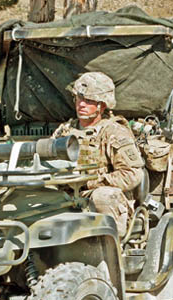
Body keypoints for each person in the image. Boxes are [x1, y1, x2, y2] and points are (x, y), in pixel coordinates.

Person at [53, 72, 144, 237]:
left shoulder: (114, 131)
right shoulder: (65, 130)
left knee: (104, 196)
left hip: (99, 197)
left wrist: (93, 183)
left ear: (102, 105)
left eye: (88, 101)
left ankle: (110, 247)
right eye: (79, 98)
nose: (81, 104)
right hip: (67, 194)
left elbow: (132, 174)